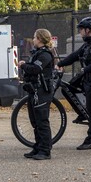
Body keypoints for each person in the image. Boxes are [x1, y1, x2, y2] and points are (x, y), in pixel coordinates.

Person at [56, 17, 91, 150]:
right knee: (66, 88)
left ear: (88, 30)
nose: (80, 32)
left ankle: (90, 141)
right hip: (86, 78)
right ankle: (82, 114)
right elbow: (75, 55)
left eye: (81, 29)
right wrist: (59, 63)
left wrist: (85, 69)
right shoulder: (88, 43)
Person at [20, 29, 55, 160]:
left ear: (40, 39)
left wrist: (23, 66)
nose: (33, 40)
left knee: (42, 121)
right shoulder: (37, 53)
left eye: (35, 37)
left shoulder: (45, 54)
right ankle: (38, 146)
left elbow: (36, 69)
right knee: (35, 121)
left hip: (42, 92)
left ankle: (45, 150)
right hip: (34, 91)